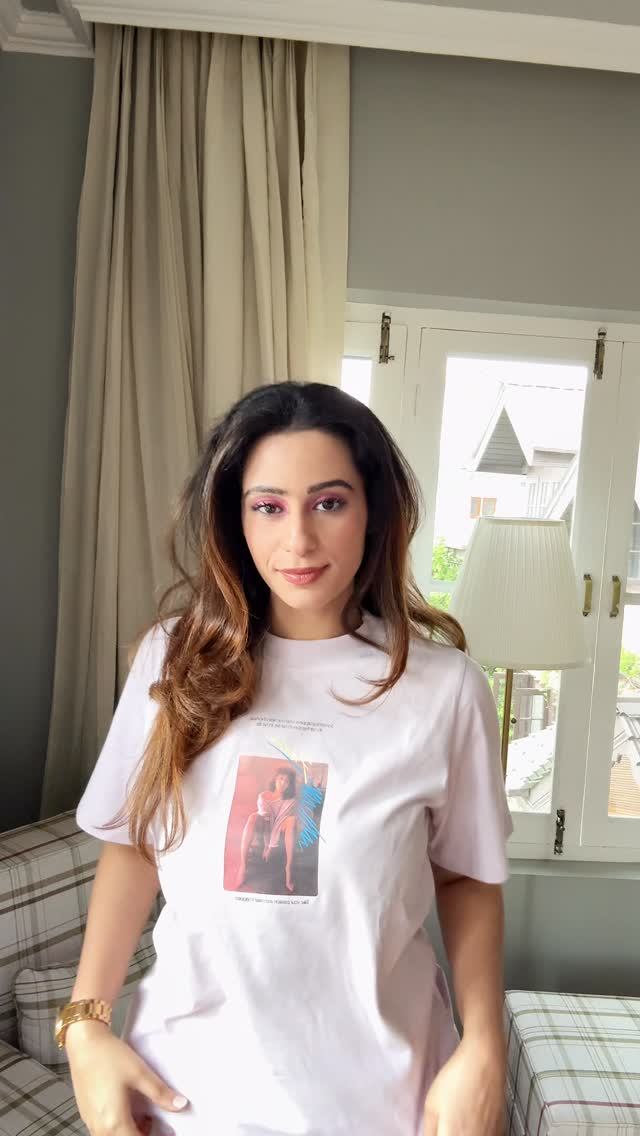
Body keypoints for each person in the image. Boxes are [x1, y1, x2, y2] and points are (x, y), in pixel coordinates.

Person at [61, 381, 512, 1136]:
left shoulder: (445, 689)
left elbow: (465, 875)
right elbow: (136, 844)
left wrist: (485, 1046)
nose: (298, 540)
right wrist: (85, 1026)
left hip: (386, 1100)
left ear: (374, 512)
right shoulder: (172, 660)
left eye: (328, 502)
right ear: (234, 520)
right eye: (267, 506)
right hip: (186, 1098)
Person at [235, 766, 298, 892]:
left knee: (292, 820)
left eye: (287, 781)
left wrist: (269, 847)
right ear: (275, 779)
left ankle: (288, 868)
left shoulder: (290, 801)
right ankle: (243, 865)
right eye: (281, 779)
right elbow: (268, 820)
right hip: (265, 825)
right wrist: (267, 845)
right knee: (253, 817)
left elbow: (278, 820)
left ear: (289, 785)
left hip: (280, 825)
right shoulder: (263, 796)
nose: (283, 783)